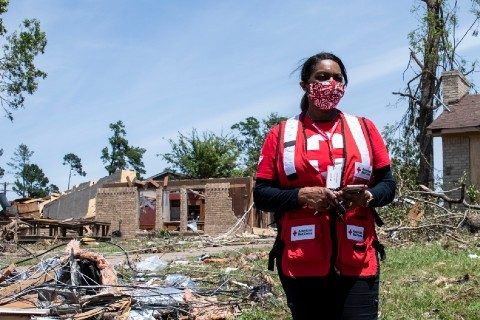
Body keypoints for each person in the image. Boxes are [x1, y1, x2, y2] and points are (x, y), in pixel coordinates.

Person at [253, 52, 396, 320]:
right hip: (302, 258)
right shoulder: (281, 134)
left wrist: (368, 196)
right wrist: (301, 196)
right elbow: (261, 195)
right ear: (305, 85)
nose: (331, 83)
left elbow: (388, 184)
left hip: (357, 258)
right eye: (322, 77)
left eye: (337, 78)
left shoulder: (364, 129)